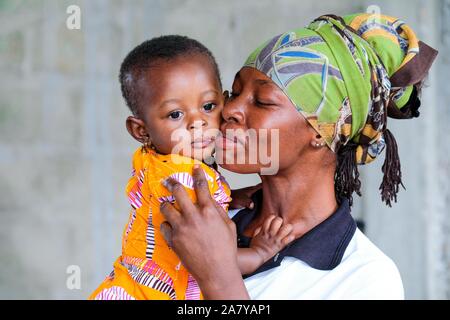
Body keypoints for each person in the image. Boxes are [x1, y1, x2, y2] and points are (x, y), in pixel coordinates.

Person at [159, 13, 438, 299]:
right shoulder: (206, 217)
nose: (229, 110)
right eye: (235, 92)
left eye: (262, 101)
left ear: (321, 131)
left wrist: (218, 279)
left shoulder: (364, 276)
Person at [89, 36, 294, 300]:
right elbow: (215, 262)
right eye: (175, 114)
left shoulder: (153, 160)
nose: (198, 122)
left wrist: (226, 197)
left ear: (224, 102)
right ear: (141, 130)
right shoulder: (185, 180)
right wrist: (260, 253)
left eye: (208, 106)